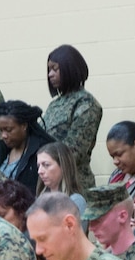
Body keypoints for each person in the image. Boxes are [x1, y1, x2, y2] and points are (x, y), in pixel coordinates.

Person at [43, 45, 102, 190]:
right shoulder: (54, 105)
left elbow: (75, 150)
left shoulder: (86, 103)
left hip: (75, 183)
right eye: (49, 70)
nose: (50, 74)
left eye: (55, 69)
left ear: (70, 69)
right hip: (51, 181)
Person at [0, 100, 54, 193]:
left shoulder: (42, 152)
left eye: (8, 130)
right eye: (1, 130)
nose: (3, 135)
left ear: (24, 125)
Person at [35, 141, 85, 217]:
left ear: (63, 166)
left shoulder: (75, 200)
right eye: (39, 166)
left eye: (46, 165)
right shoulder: (39, 199)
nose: (40, 171)